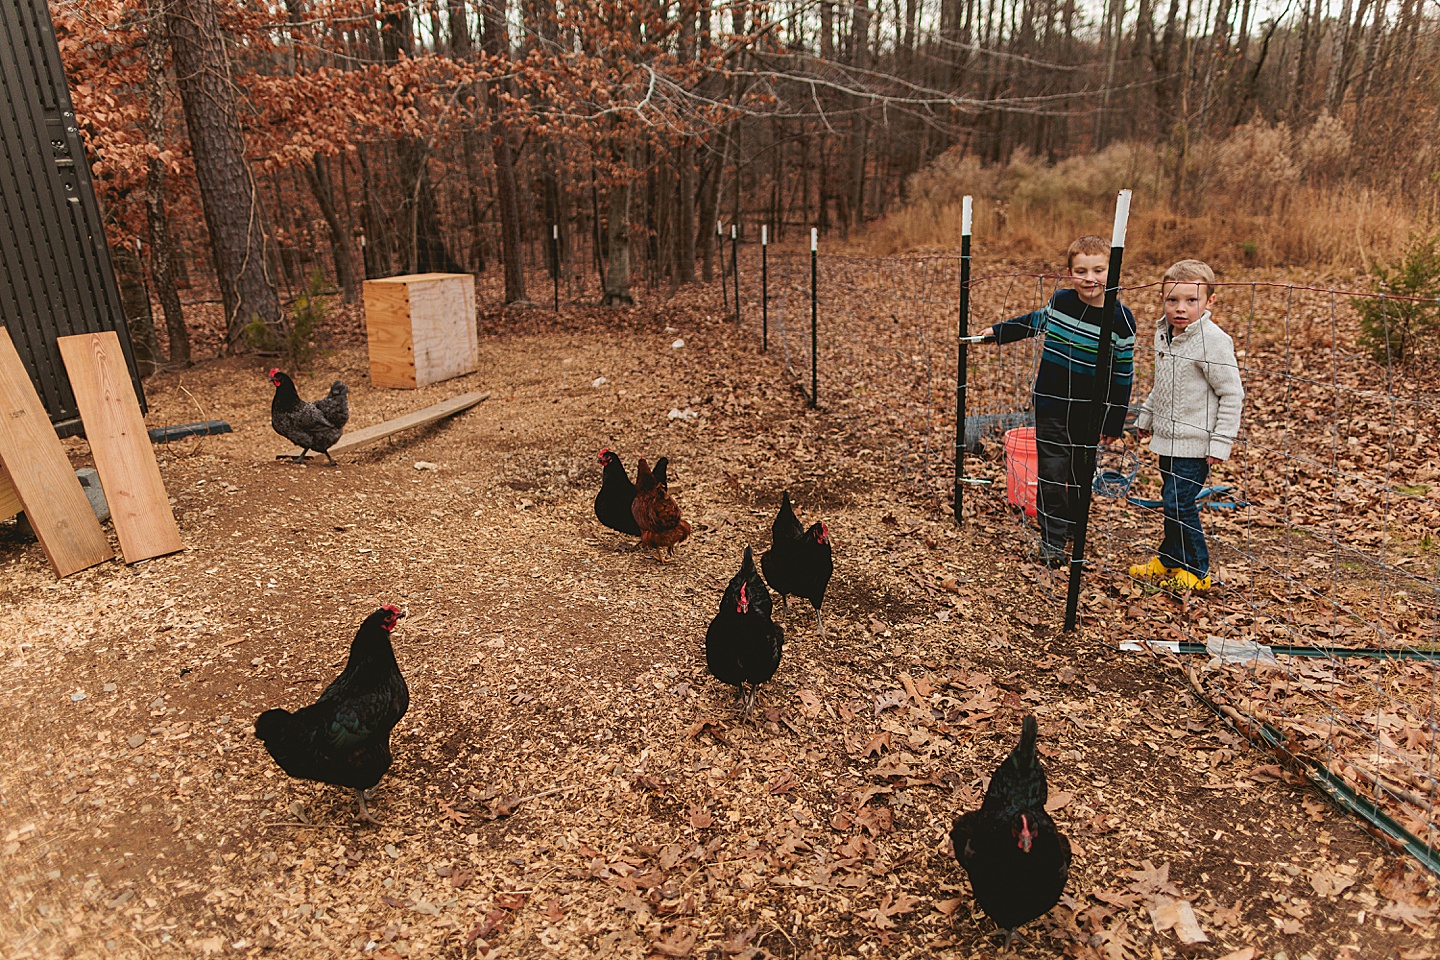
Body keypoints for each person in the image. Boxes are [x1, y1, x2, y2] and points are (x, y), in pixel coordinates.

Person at [984, 236, 1136, 567]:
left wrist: (1113, 421)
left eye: (1098, 270)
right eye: (1081, 270)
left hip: (1090, 413)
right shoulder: (1063, 301)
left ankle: (1074, 530)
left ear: (1112, 272)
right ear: (1069, 273)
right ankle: (1052, 541)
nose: (1090, 278)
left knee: (1081, 475)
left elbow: (1124, 374)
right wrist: (999, 332)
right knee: (1052, 473)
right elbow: (1035, 321)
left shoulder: (1121, 320)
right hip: (1051, 404)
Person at [1129, 259, 1245, 591]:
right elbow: (1162, 384)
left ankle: (1197, 569)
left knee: (1179, 503)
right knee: (1171, 500)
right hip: (1168, 438)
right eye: (1172, 300)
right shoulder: (1164, 335)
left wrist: (1220, 443)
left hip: (1195, 443)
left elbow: (1231, 394)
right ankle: (1170, 560)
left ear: (1209, 302)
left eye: (1191, 301)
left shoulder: (1212, 341)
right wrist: (1148, 416)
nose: (1180, 308)